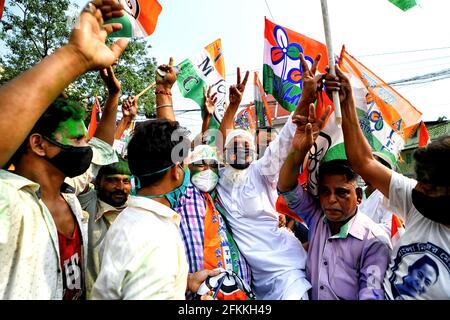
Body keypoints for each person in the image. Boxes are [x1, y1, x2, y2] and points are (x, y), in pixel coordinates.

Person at [0, 1, 128, 299]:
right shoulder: (10, 202)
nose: (86, 147)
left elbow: (103, 149)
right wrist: (74, 57)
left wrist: (114, 97)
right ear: (38, 144)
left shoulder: (70, 193)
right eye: (77, 140)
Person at [323, 63, 450, 299]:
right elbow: (364, 163)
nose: (418, 187)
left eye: (428, 186)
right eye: (419, 180)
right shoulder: (416, 200)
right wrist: (347, 102)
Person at [212, 54, 324, 300]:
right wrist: (232, 107)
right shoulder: (218, 180)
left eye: (246, 146)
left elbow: (284, 140)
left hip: (287, 271)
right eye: (234, 146)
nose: (240, 149)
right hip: (255, 281)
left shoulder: (261, 172)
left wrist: (306, 97)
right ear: (225, 153)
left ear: (252, 152)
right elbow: (226, 134)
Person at [91, 119, 219, 299]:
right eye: (185, 165)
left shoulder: (131, 218)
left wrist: (185, 282)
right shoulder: (154, 236)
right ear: (176, 170)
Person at [278, 103, 392, 300]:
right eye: (325, 192)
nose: (331, 200)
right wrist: (297, 152)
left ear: (358, 195)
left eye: (341, 193)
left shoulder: (374, 241)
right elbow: (286, 188)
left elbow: (372, 293)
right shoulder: (316, 217)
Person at [179, 144, 253, 299]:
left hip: (238, 291)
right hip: (203, 293)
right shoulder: (183, 196)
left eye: (213, 165)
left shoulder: (222, 198)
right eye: (200, 165)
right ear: (188, 168)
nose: (208, 170)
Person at [78, 157, 132, 298]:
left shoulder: (135, 211)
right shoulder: (88, 203)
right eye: (112, 180)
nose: (120, 187)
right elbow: (82, 174)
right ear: (97, 182)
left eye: (126, 181)